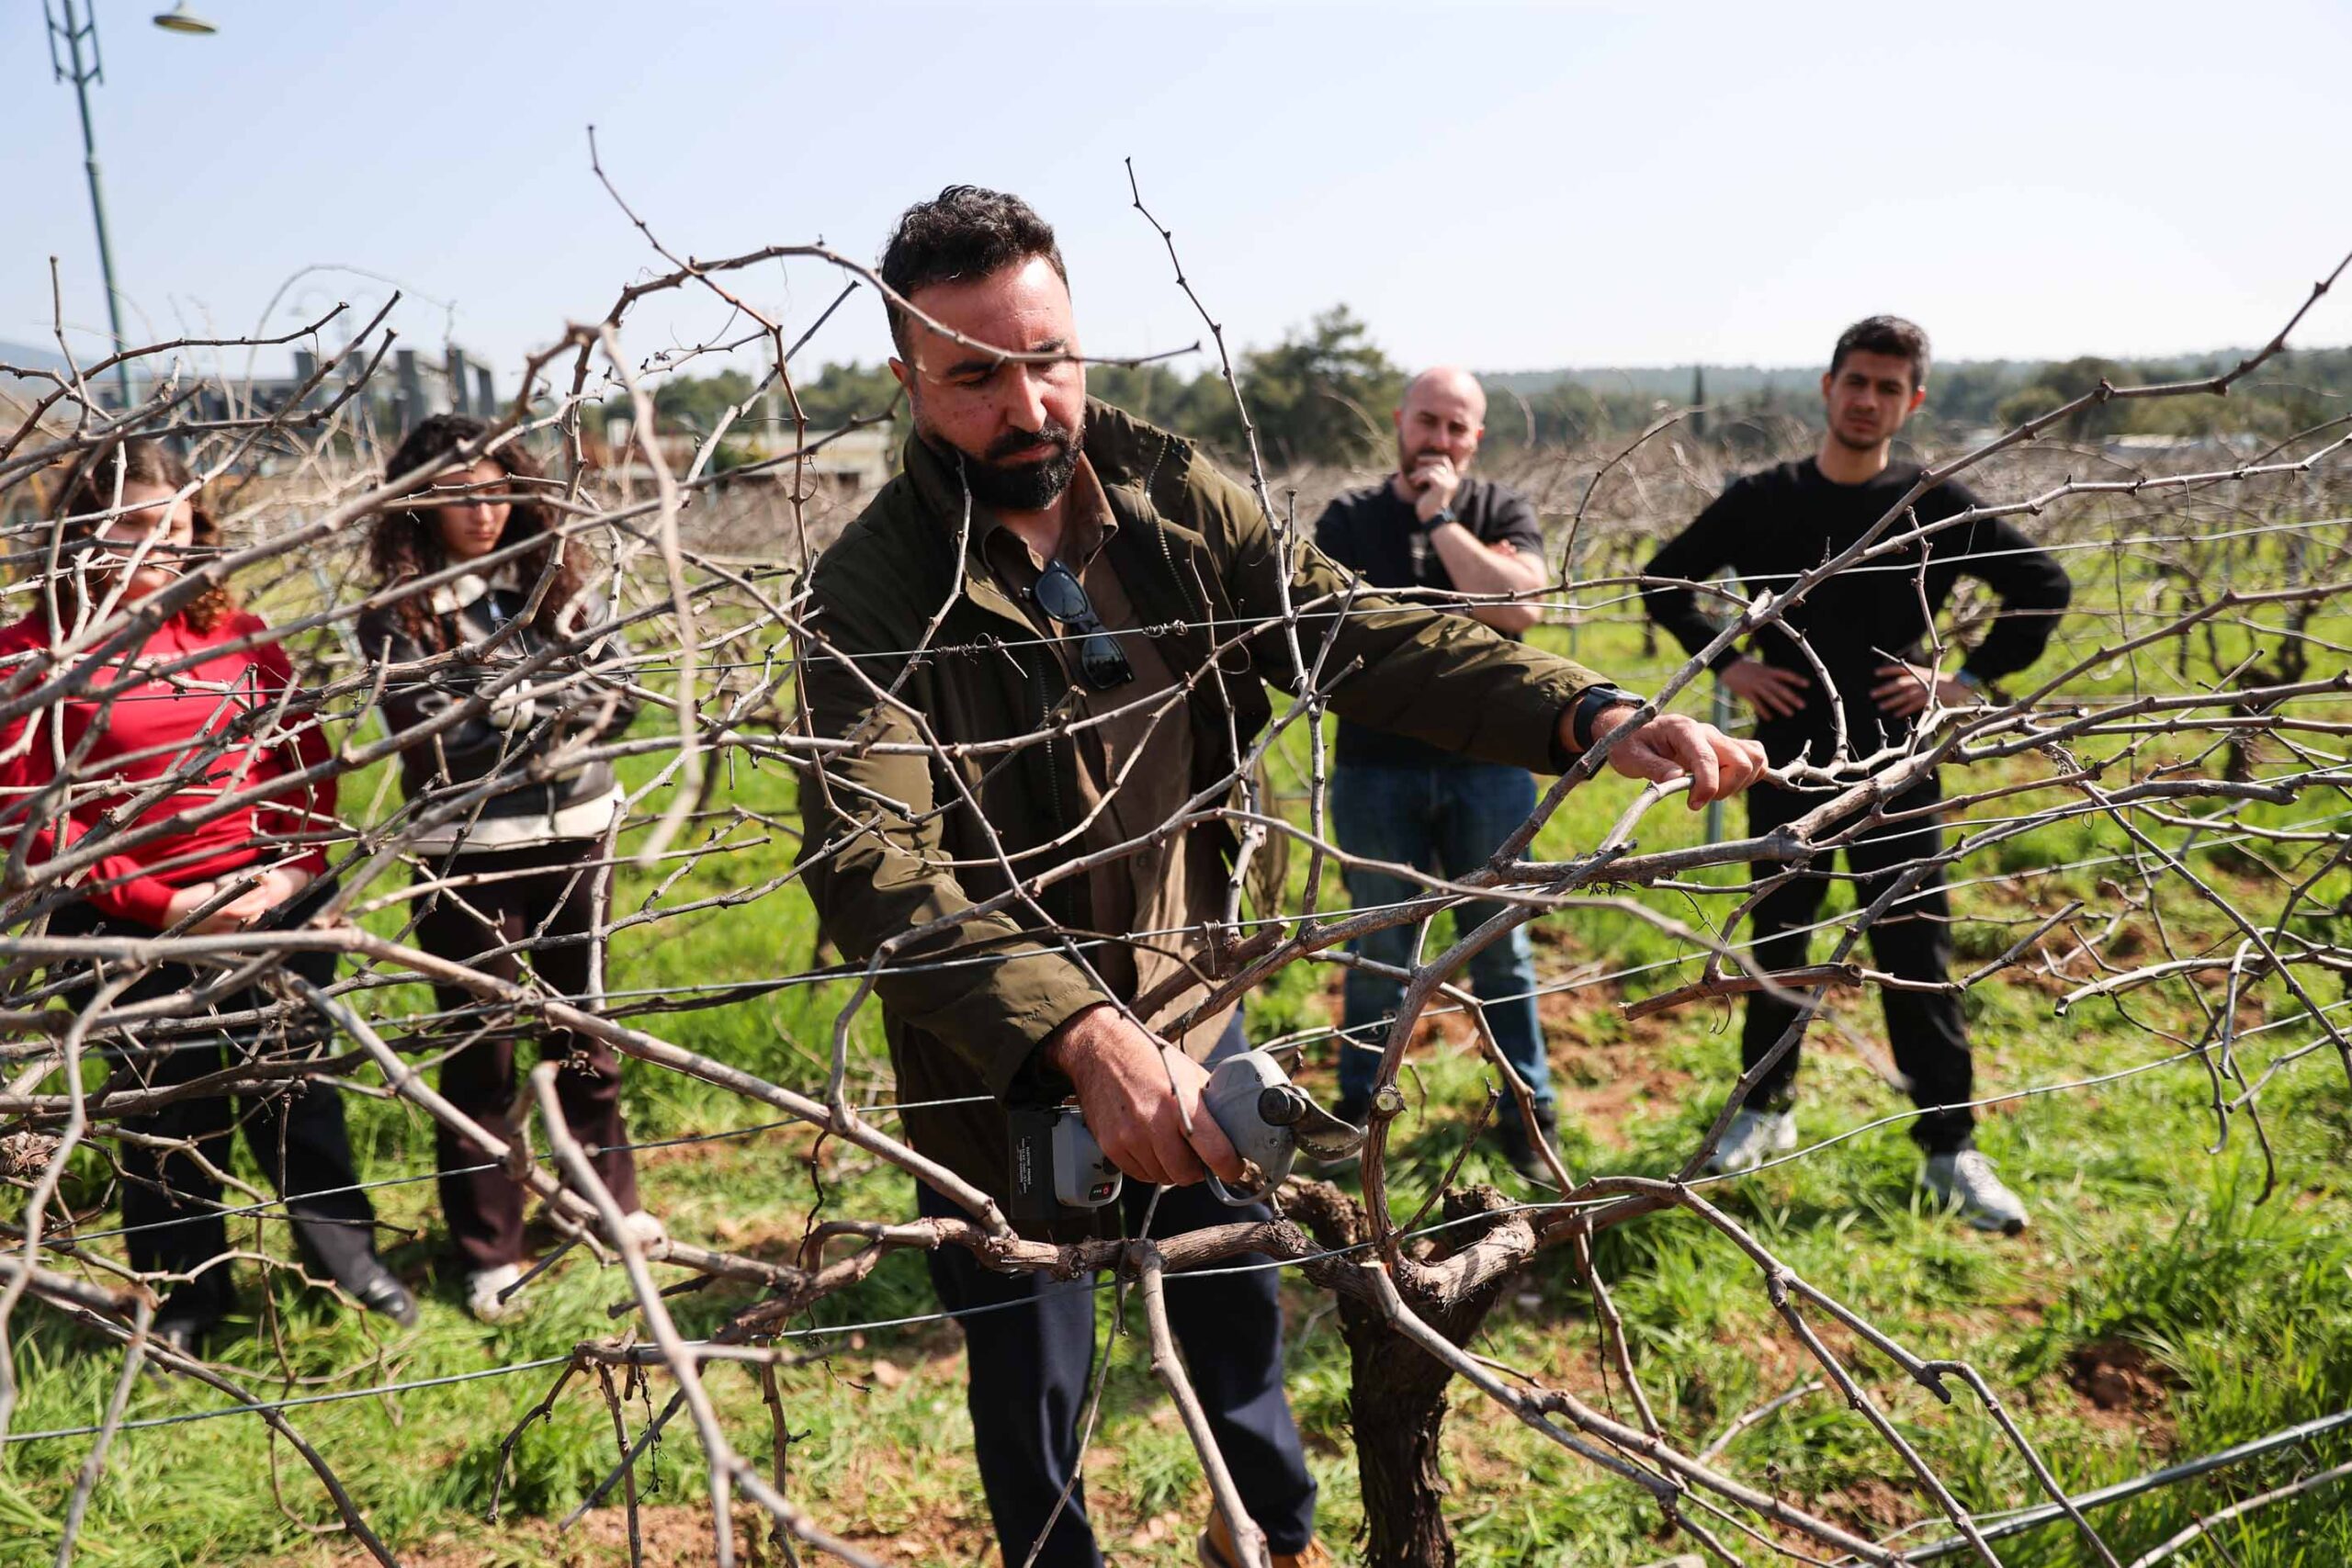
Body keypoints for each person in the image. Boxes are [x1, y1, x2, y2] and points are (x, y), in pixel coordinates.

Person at [797, 186, 1766, 1568]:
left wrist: (1580, 710)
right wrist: (1077, 1034)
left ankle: (1271, 1539)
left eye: (1052, 357)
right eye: (975, 376)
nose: (1030, 406)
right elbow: (869, 856)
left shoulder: (1167, 502)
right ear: (904, 379)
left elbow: (1353, 635)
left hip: (1196, 1006)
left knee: (1236, 1309)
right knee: (1033, 1373)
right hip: (998, 1070)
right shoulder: (873, 589)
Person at [1640, 315, 2072, 1233]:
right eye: (1856, 381)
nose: (1868, 399)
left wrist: (1964, 680)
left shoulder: (1933, 503)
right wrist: (1728, 666)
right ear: (1826, 387)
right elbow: (1660, 580)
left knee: (1914, 951)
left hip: (1896, 760)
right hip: (1785, 757)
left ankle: (1951, 1150)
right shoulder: (1760, 500)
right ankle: (1763, 1111)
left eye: (1888, 387)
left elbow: (2043, 585)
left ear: (1910, 401)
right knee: (1778, 942)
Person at [0, 436, 413, 1350]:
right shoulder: (34, 654)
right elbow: (33, 821)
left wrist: (295, 869)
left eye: (177, 528)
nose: (159, 548)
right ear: (78, 533)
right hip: (119, 923)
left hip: (271, 898)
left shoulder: (237, 634)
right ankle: (185, 1298)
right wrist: (165, 908)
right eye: (136, 526)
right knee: (161, 1108)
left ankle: (345, 1261)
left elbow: (304, 759)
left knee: (296, 1086)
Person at [359, 415, 656, 1322]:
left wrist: (514, 709)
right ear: (420, 506)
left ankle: (609, 1206)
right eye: (458, 497)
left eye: (495, 491)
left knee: (584, 1036)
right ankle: (493, 1250)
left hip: (576, 834)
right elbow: (436, 738)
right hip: (467, 857)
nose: (482, 511)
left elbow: (621, 695)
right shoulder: (394, 615)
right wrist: (542, 710)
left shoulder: (555, 585)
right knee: (481, 1050)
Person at [1313, 367, 1561, 1178]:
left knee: (1498, 948)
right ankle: (1359, 1108)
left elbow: (1520, 608)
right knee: (1378, 946)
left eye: (1457, 429)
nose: (1439, 441)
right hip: (1374, 767)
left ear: (1475, 438)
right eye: (1428, 422)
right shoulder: (1348, 518)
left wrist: (1442, 520)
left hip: (1489, 768)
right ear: (1400, 421)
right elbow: (1334, 630)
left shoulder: (1500, 511)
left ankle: (1528, 1112)